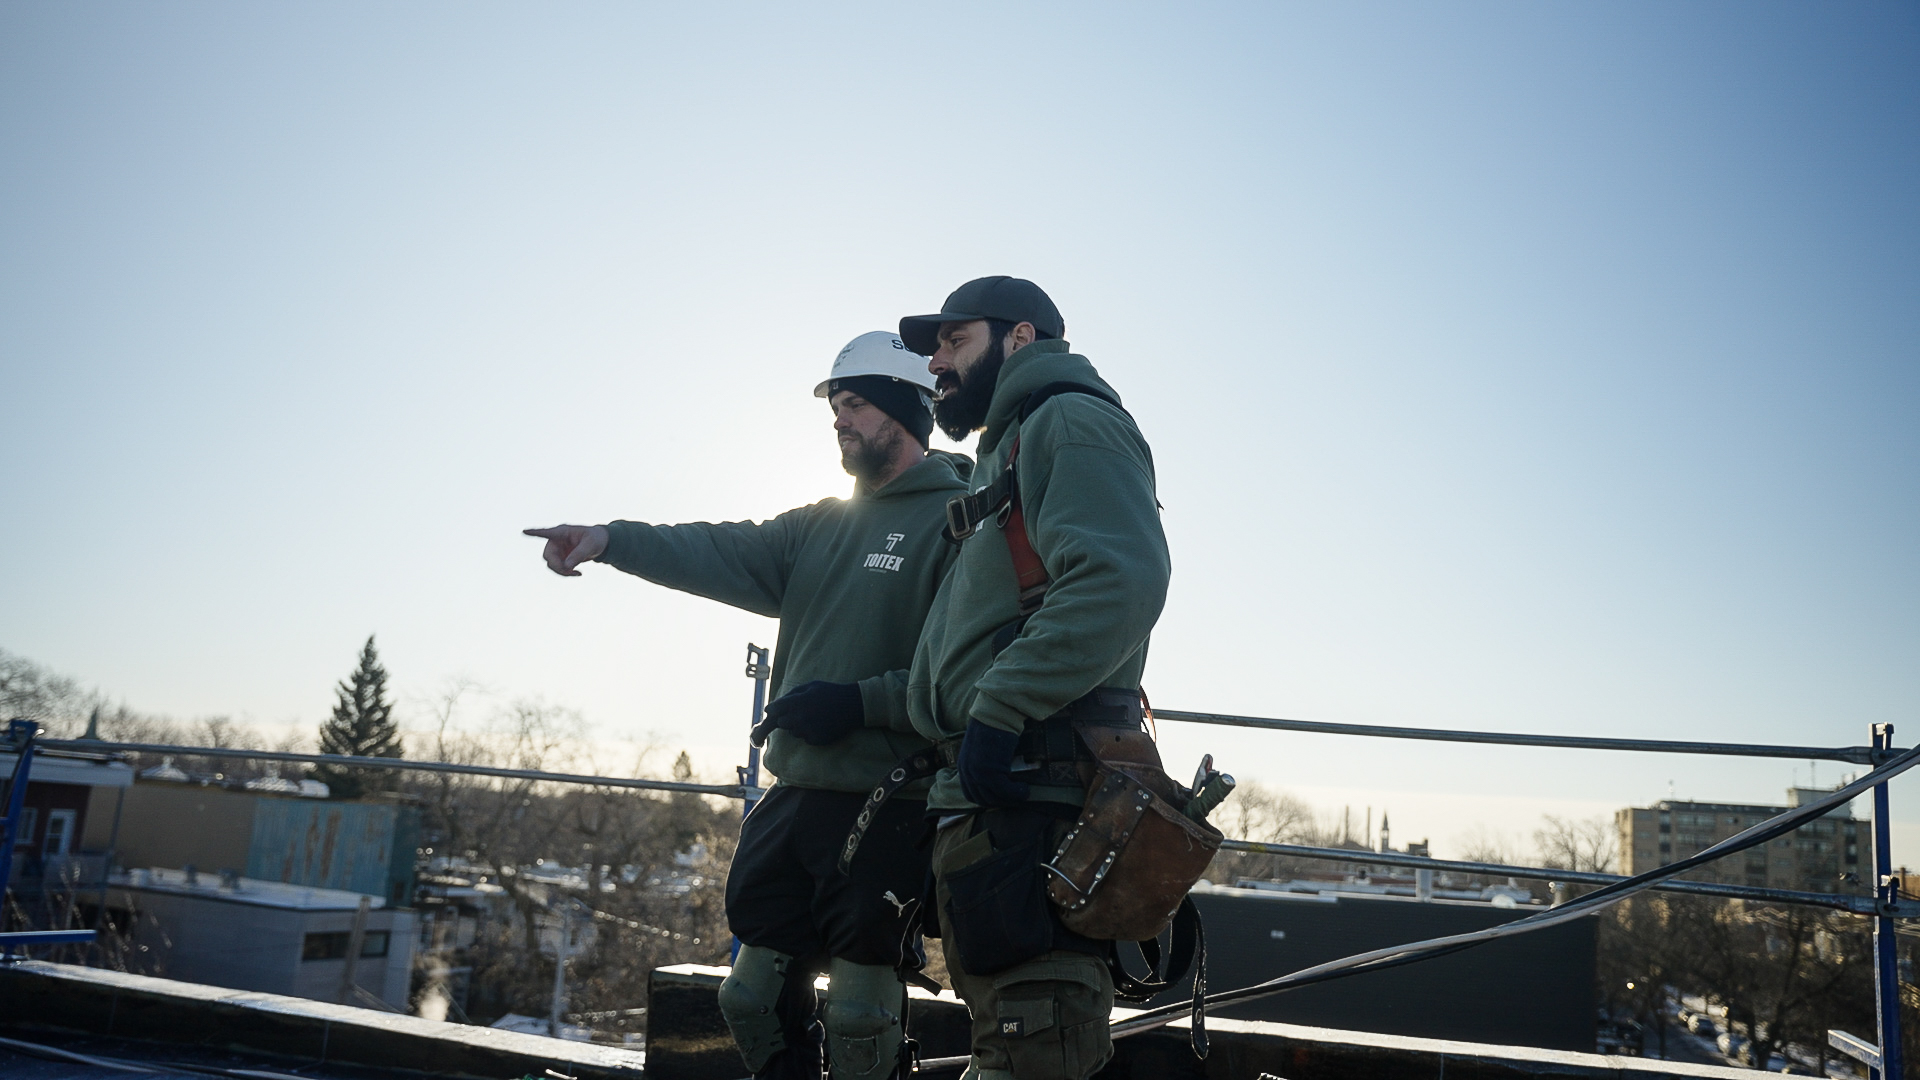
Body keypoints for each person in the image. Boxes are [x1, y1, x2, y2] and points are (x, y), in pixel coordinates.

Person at [524, 331, 970, 1080]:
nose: (840, 420)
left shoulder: (958, 519)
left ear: (903, 410)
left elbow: (964, 677)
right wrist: (607, 540)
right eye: (836, 406)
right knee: (750, 998)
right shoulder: (817, 526)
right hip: (794, 795)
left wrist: (859, 704)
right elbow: (717, 549)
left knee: (861, 1011)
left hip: (889, 799)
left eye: (855, 404)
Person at [897, 278, 1171, 1080]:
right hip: (998, 805)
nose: (938, 362)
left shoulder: (1071, 423)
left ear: (1020, 337)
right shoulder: (1014, 443)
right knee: (1006, 1052)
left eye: (954, 340)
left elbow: (1119, 581)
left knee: (1034, 1051)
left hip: (1037, 804)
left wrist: (1000, 706)